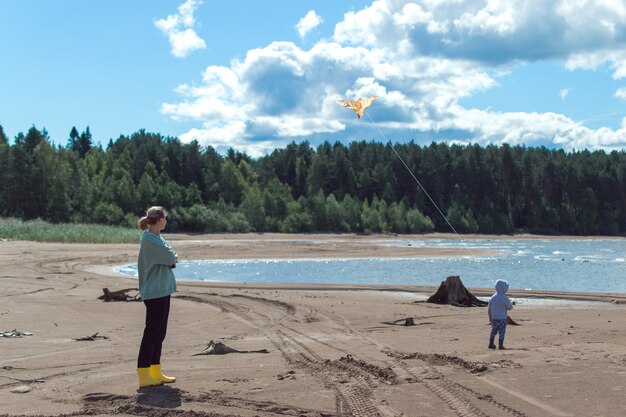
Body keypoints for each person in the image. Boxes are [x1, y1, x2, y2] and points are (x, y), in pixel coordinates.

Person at [136, 206, 178, 388]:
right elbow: (171, 258)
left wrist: (172, 257)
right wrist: (172, 258)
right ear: (160, 219)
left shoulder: (156, 238)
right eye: (165, 218)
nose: (166, 221)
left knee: (160, 333)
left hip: (162, 290)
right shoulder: (149, 239)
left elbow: (170, 256)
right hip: (154, 292)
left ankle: (155, 371)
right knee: (152, 333)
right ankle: (144, 374)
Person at [488, 279, 513, 350]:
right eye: (506, 288)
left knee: (493, 331)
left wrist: (490, 317)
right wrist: (510, 304)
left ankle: (491, 343)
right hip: (502, 319)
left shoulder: (493, 298)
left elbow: (489, 309)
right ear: (503, 288)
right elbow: (510, 307)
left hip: (494, 318)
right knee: (502, 332)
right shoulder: (504, 298)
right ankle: (500, 345)